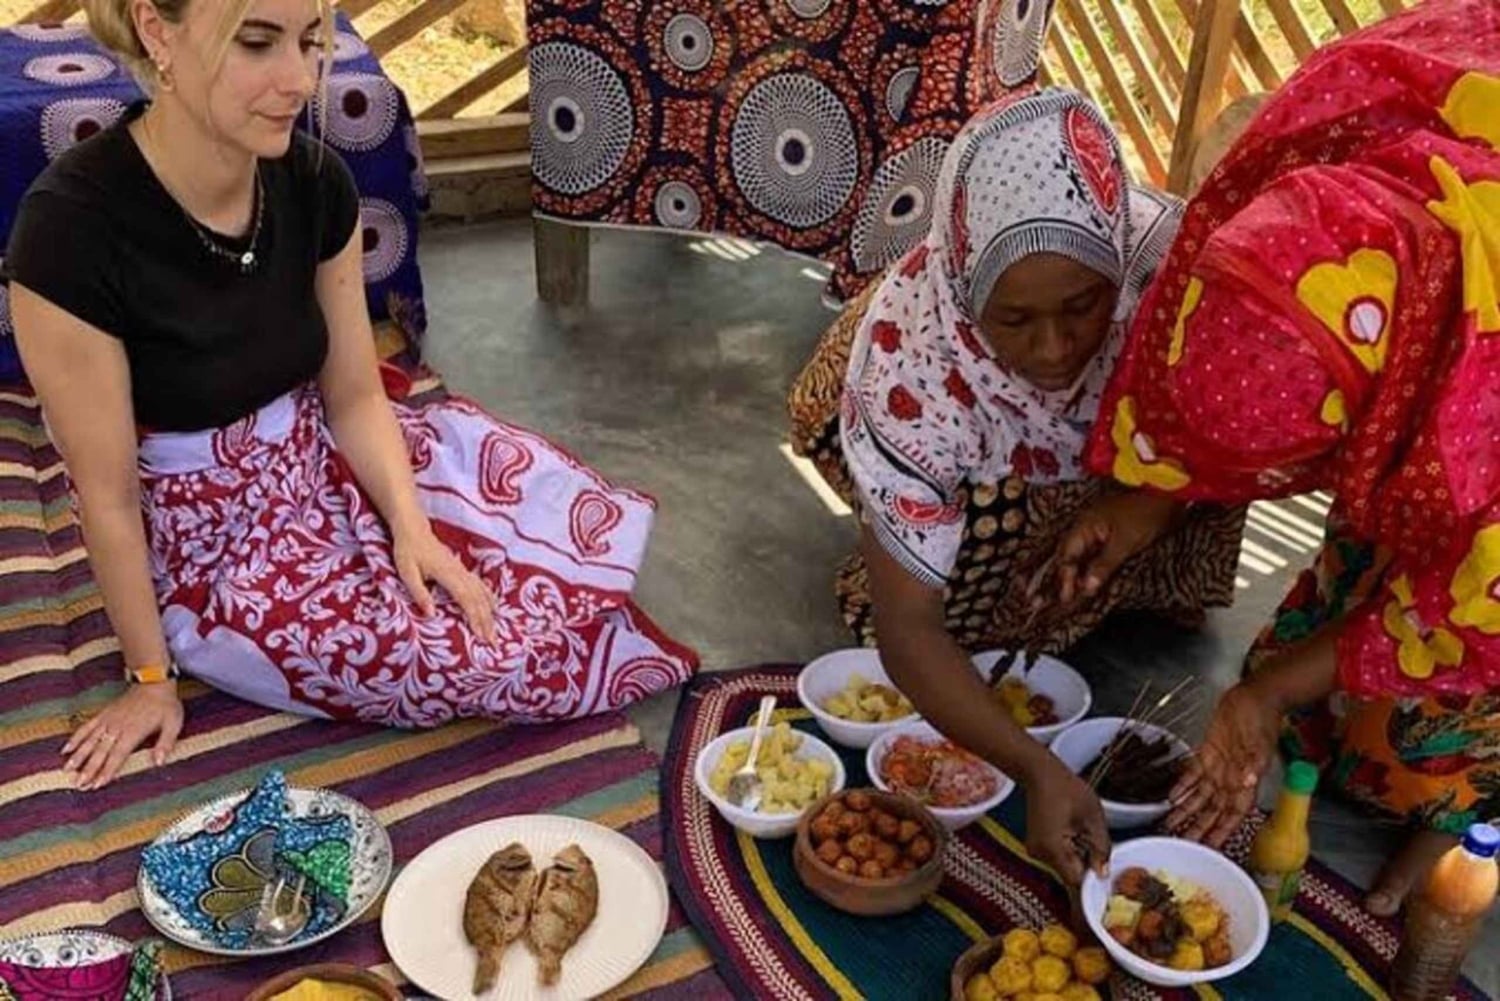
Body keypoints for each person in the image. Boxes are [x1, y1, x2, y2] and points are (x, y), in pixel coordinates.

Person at [3, 0, 696, 792]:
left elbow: (356, 393)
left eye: (310, 42)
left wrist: (411, 530)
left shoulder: (312, 178)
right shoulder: (71, 229)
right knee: (455, 655)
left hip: (312, 453)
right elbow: (109, 495)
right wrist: (150, 676)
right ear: (157, 31)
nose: (299, 80)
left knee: (537, 500)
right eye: (257, 44)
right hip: (211, 541)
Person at [1082, 0, 1500, 917]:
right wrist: (1143, 502)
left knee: (1448, 694)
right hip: (1430, 351)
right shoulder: (1338, 125)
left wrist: (1265, 691)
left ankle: (1453, 826)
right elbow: (1244, 359)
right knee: (1365, 556)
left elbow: (1474, 608)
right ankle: (1318, 725)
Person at [787, 88, 1246, 883]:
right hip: (955, 437)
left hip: (1108, 453)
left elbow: (1238, 423)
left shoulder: (1175, 271)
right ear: (968, 294)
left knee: (1199, 455)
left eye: (1084, 305)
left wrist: (1143, 506)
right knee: (961, 589)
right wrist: (1037, 769)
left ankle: (1122, 574)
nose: (1056, 347)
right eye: (1015, 319)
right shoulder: (912, 363)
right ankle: (910, 541)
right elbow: (910, 631)